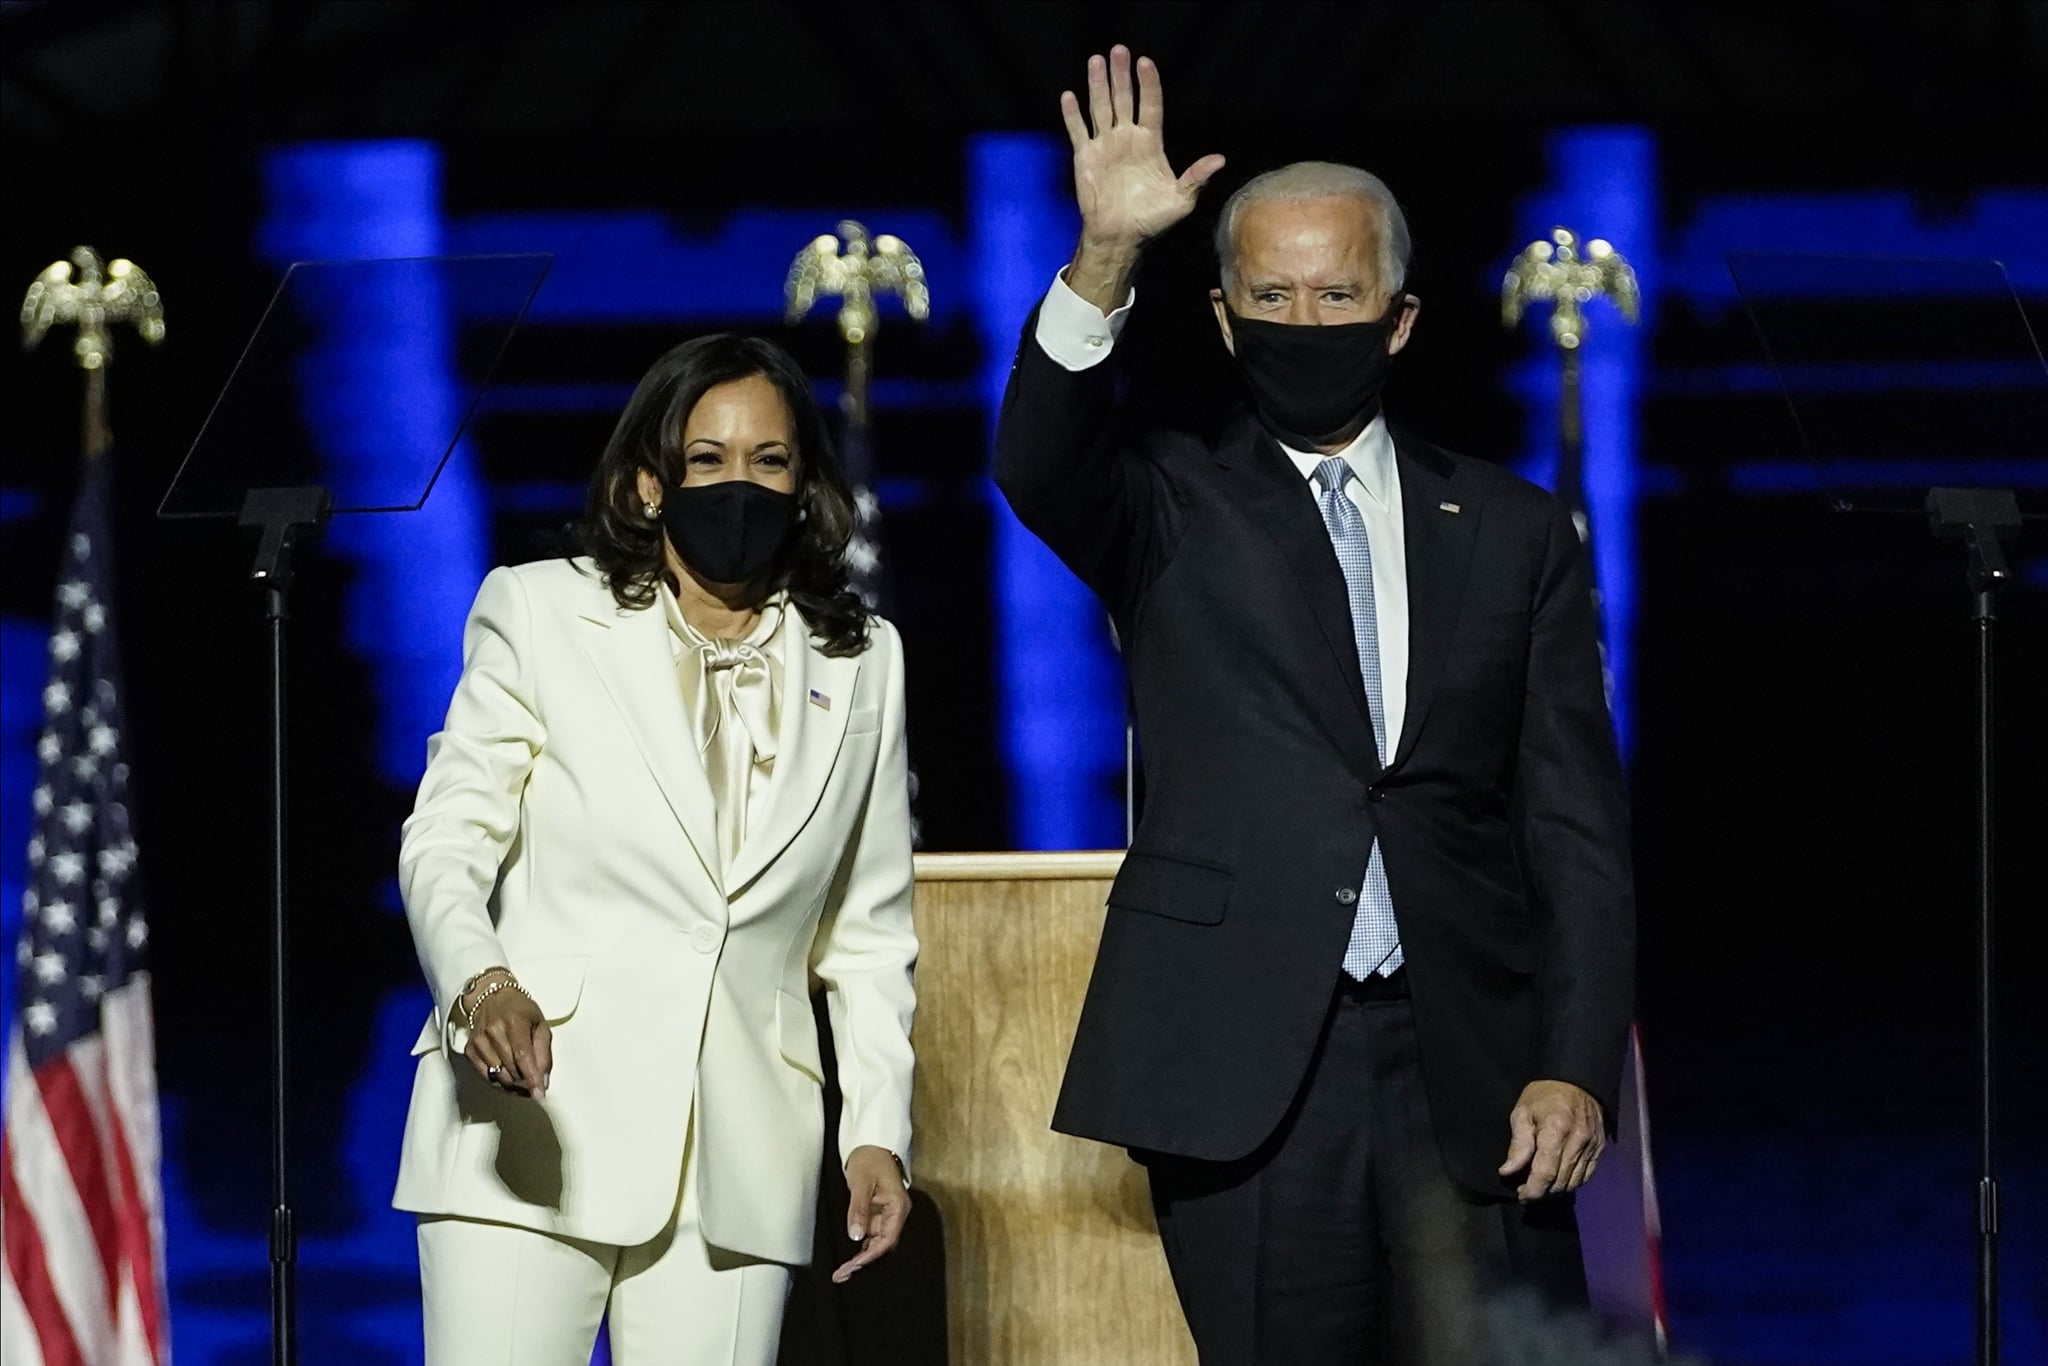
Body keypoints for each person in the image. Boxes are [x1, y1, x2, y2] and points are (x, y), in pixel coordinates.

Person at [993, 46, 1636, 1365]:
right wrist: (1107, 254)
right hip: (1246, 1068)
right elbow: (1040, 458)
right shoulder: (1169, 502)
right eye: (1271, 296)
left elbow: (1574, 819)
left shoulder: (1513, 532)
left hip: (1473, 1068)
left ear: (1399, 318)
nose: (1305, 320)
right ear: (1224, 320)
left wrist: (1576, 1057)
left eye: (1338, 293)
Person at [392, 334, 917, 1365]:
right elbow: (446, 837)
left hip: (741, 1156)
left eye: (768, 461)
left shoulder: (862, 660)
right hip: (535, 1125)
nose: (740, 483)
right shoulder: (540, 611)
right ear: (648, 484)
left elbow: (867, 931)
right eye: (708, 460)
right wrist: (478, 983)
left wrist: (876, 1129)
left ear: (803, 482)